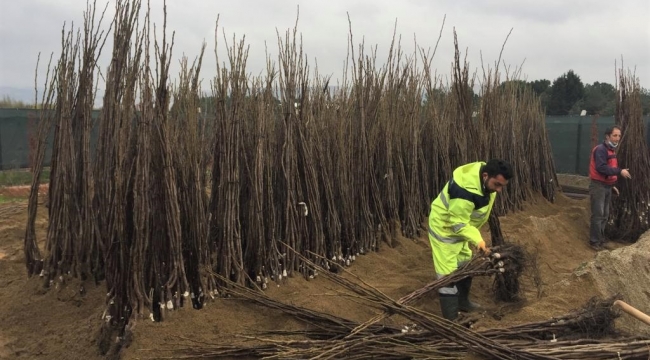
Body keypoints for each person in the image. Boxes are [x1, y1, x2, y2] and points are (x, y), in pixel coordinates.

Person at [427, 159, 513, 321]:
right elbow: (458, 224)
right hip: (445, 230)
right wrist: (478, 240)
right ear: (486, 176)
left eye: (502, 186)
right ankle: (451, 319)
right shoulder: (464, 192)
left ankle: (462, 302)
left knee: (465, 264)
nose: (499, 190)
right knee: (447, 276)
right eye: (497, 185)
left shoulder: (483, 176)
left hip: (462, 230)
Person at [588, 125, 631, 250]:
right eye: (615, 135)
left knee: (605, 214)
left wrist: (612, 185)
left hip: (606, 186)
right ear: (607, 136)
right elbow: (601, 168)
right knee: (598, 214)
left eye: (619, 135)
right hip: (598, 186)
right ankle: (594, 241)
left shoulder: (611, 151)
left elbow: (608, 169)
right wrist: (619, 171)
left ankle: (600, 239)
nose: (617, 138)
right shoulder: (601, 150)